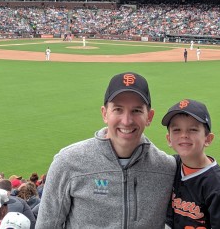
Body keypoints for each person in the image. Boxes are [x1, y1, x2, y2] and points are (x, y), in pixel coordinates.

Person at [36, 72, 176, 228]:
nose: (126, 121)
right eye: (118, 109)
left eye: (136, 111)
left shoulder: (166, 168)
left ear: (149, 117)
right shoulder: (67, 162)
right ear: (104, 113)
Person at [162, 99, 220, 229]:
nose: (184, 135)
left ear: (208, 139)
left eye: (193, 129)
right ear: (169, 139)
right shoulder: (173, 165)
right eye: (176, 129)